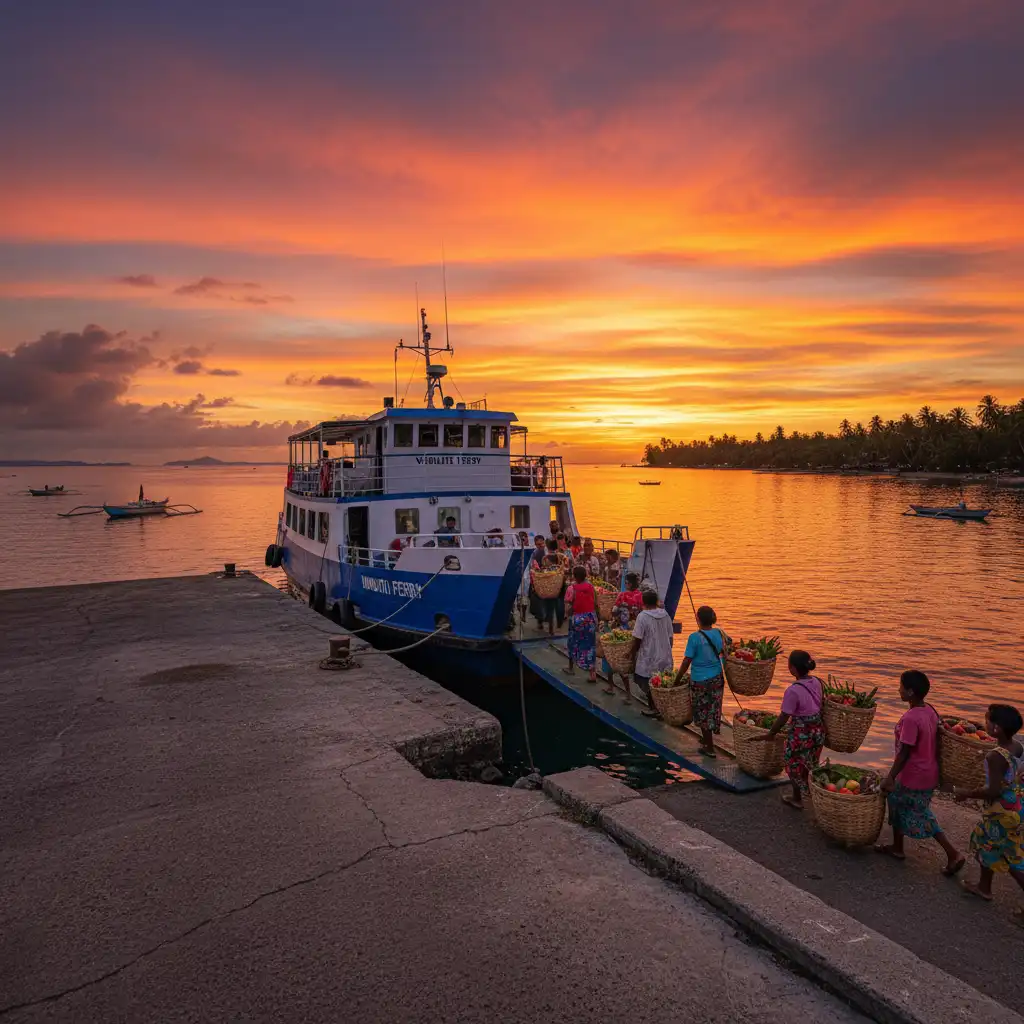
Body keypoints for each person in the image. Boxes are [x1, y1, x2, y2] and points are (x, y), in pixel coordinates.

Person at [873, 670, 964, 873]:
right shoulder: (930, 710)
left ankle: (953, 853)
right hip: (928, 771)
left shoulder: (911, 718)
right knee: (897, 804)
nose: (898, 689)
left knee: (921, 815)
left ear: (910, 692)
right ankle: (897, 847)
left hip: (913, 775)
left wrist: (890, 777)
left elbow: (905, 751)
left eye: (901, 686)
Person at [955, 704, 1024, 904]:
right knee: (988, 845)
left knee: (1009, 858)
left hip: (1001, 811)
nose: (985, 723)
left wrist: (966, 793)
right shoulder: (1017, 746)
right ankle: (984, 888)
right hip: (1016, 804)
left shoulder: (995, 756)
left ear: (996, 729)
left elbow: (992, 790)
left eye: (988, 720)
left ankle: (984, 888)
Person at [750, 650, 825, 808]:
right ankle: (813, 794)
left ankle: (797, 798)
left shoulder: (793, 691)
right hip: (817, 730)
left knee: (793, 763)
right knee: (811, 763)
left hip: (802, 732)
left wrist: (771, 733)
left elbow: (784, 716)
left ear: (792, 669)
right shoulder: (817, 682)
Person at [673, 605, 729, 758]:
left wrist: (677, 680)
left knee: (702, 711)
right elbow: (725, 651)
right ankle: (707, 740)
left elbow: (687, 661)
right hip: (717, 678)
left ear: (698, 619)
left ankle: (709, 747)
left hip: (700, 681)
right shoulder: (719, 633)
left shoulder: (695, 637)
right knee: (713, 709)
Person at [629, 590, 674, 716]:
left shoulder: (642, 616)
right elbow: (671, 636)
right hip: (664, 653)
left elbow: (637, 638)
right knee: (661, 681)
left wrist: (632, 653)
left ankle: (654, 708)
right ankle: (659, 707)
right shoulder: (665, 615)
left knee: (646, 680)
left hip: (649, 654)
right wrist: (668, 649)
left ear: (643, 602)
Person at [563, 566, 598, 683]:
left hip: (578, 619)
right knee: (590, 645)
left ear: (575, 576)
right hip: (590, 618)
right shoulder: (591, 587)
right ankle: (592, 673)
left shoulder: (571, 588)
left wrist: (567, 614)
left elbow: (568, 607)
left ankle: (571, 667)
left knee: (572, 642)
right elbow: (595, 602)